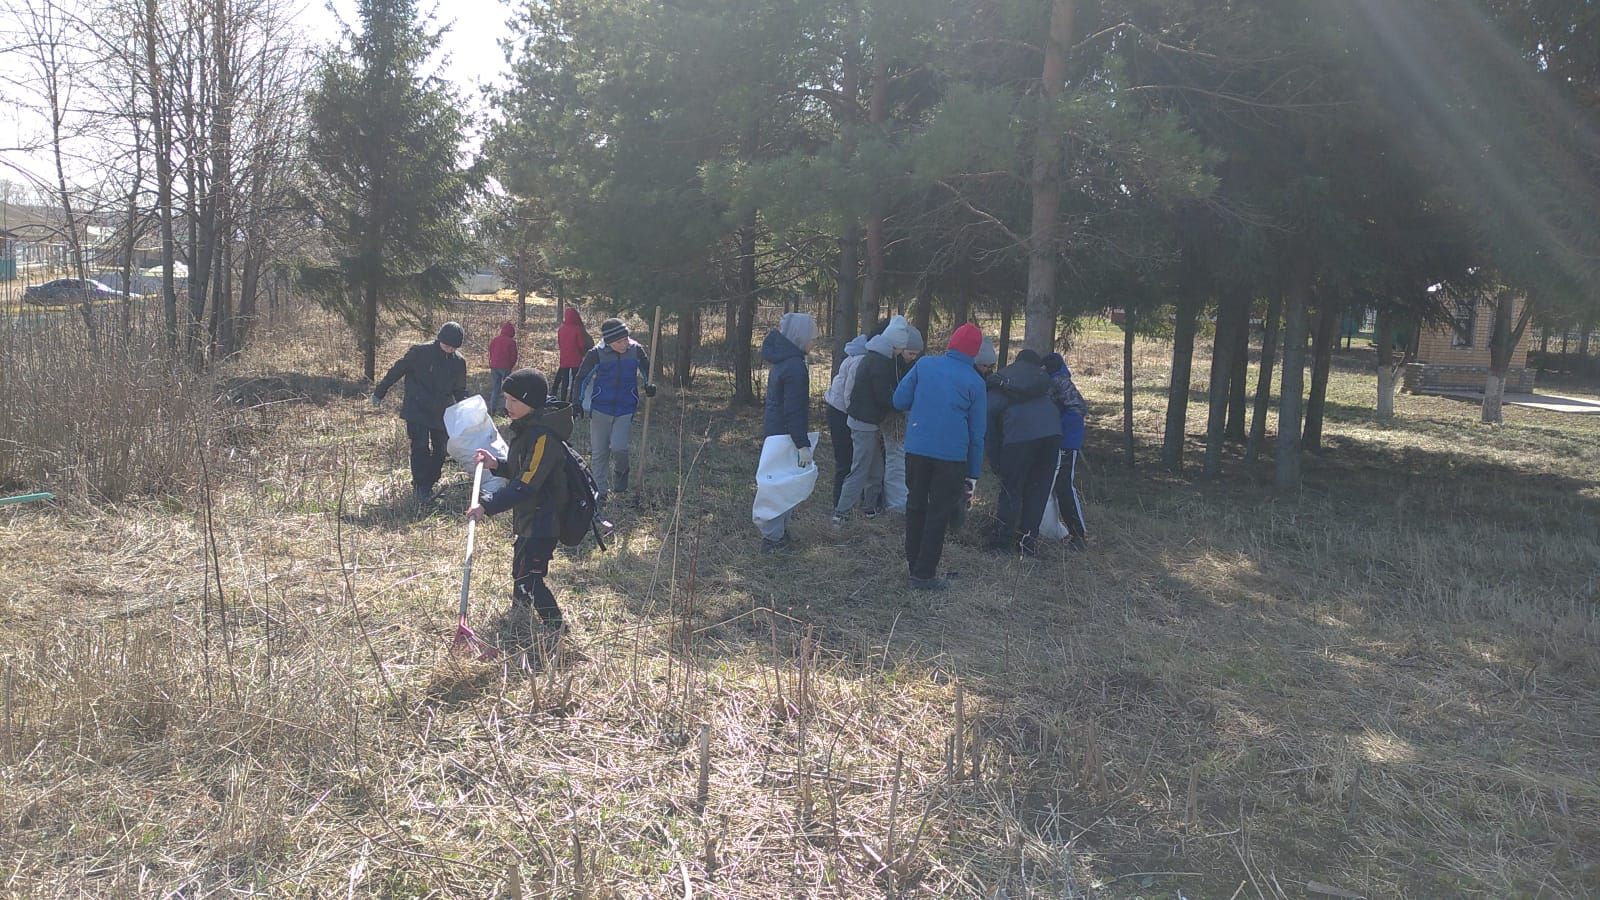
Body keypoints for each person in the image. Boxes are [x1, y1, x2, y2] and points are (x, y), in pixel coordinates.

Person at [467, 368, 573, 647]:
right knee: (521, 570)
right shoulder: (527, 430)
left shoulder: (544, 439)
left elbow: (526, 484)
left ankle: (558, 630)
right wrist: (496, 464)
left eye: (514, 400)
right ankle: (519, 618)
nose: (507, 406)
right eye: (505, 398)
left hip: (543, 522)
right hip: (529, 518)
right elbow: (519, 470)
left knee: (531, 577)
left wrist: (486, 505)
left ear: (532, 402)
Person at [891, 323, 987, 591]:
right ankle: (924, 574)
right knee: (938, 513)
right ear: (975, 353)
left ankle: (913, 565)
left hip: (917, 448)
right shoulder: (976, 383)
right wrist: (973, 474)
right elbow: (977, 433)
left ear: (951, 343)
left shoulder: (924, 366)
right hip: (952, 457)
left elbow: (899, 400)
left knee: (915, 505)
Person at [372, 321, 469, 504]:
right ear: (439, 339)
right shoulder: (420, 352)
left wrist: (467, 406)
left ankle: (430, 481)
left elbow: (460, 389)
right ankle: (420, 486)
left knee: (441, 449)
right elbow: (396, 371)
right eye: (446, 345)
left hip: (441, 412)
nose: (449, 350)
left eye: (453, 348)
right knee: (420, 446)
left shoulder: (459, 362)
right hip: (417, 409)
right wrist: (380, 391)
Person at [832, 315, 912, 528]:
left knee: (876, 470)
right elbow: (883, 396)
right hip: (864, 424)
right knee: (860, 470)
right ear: (894, 344)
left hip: (868, 421)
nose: (900, 353)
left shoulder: (876, 355)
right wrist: (902, 404)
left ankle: (869, 509)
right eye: (900, 349)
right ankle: (840, 515)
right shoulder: (879, 362)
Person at [986, 349, 1062, 556]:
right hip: (1052, 435)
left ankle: (1001, 544)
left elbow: (988, 420)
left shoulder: (1003, 379)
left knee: (1011, 489)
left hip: (1019, 437)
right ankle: (1026, 545)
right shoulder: (1041, 379)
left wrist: (995, 460)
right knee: (1037, 492)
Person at [574, 317, 656, 506]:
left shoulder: (635, 350)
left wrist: (650, 386)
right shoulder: (596, 354)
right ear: (609, 342)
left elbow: (647, 371)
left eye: (626, 339)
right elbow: (581, 378)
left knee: (619, 447)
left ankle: (621, 478)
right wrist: (577, 402)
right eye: (620, 341)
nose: (625, 343)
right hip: (601, 407)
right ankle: (600, 492)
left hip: (625, 408)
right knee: (599, 452)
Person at [757, 312, 819, 552]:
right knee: (780, 486)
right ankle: (772, 539)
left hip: (778, 431)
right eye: (812, 337)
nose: (814, 342)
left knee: (780, 482)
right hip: (784, 434)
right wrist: (801, 443)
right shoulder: (794, 366)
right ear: (799, 337)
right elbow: (793, 410)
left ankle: (778, 533)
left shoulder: (786, 360)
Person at [1045, 352, 1089, 550]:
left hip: (1066, 443)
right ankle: (1060, 530)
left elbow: (1079, 407)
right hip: (1064, 441)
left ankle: (1078, 535)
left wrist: (1057, 429)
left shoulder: (1059, 381)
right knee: (1058, 488)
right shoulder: (1059, 379)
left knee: (1064, 488)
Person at [880, 326, 923, 515]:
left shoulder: (917, 365)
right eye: (910, 352)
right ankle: (895, 505)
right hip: (892, 418)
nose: (912, 357)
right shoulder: (889, 363)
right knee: (894, 460)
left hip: (908, 417)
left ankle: (904, 501)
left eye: (916, 354)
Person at [823, 333, 869, 506]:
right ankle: (840, 507)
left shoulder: (859, 355)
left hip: (842, 411)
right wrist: (857, 420)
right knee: (845, 461)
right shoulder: (860, 360)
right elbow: (850, 394)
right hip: (841, 413)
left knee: (850, 461)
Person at [554, 308, 594, 406]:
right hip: (576, 359)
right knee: (575, 381)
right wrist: (582, 352)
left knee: (565, 381)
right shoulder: (577, 329)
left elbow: (559, 343)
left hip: (564, 359)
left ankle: (562, 400)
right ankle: (571, 400)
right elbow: (581, 344)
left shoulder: (561, 329)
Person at [487, 322, 519, 416]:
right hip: (505, 367)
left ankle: (492, 409)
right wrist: (510, 366)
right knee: (507, 389)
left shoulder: (495, 340)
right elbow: (514, 356)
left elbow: (491, 352)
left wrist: (492, 362)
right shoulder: (511, 342)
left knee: (496, 388)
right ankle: (505, 410)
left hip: (494, 366)